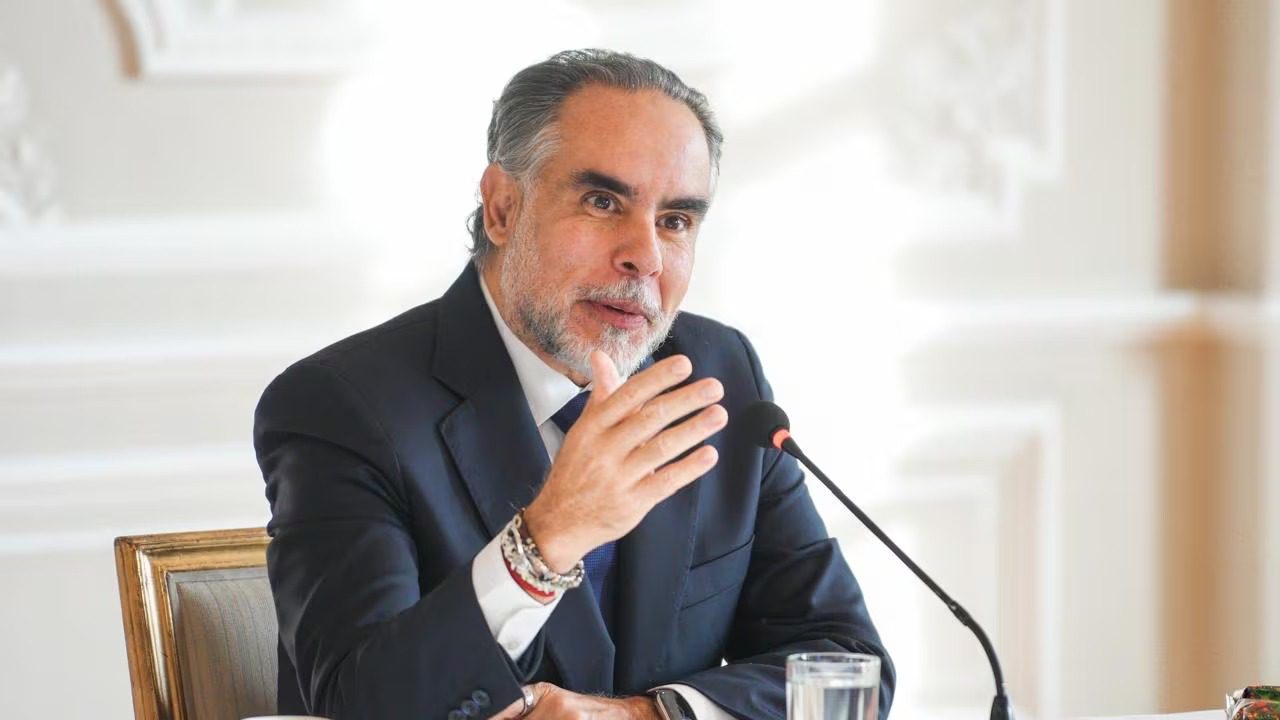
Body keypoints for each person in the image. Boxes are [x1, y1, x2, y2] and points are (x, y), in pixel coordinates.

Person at [255, 49, 894, 720]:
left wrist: (647, 715)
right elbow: (360, 704)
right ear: (502, 208)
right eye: (602, 201)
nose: (644, 256)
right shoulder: (343, 406)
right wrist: (547, 538)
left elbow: (847, 667)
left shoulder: (718, 374)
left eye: (675, 221)